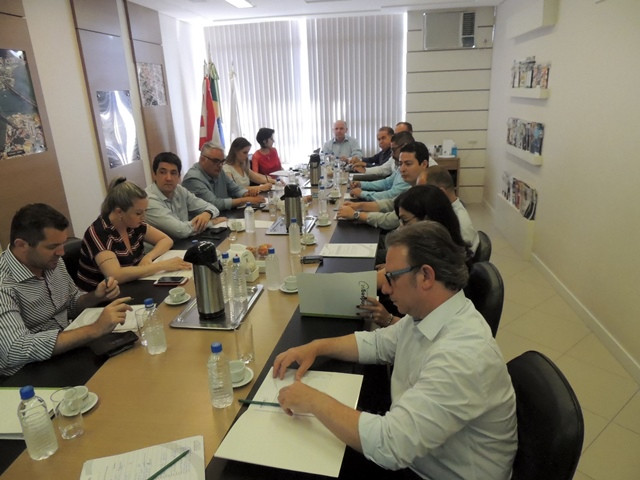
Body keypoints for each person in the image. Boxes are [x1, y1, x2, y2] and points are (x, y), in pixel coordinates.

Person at [273, 221, 517, 479]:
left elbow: (390, 446)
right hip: (424, 453)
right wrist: (317, 347)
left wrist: (314, 400)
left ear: (426, 276)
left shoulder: (462, 355)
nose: (385, 288)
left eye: (392, 277)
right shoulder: (431, 313)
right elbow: (379, 343)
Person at [0, 204, 132, 376]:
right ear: (22, 245)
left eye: (63, 243)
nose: (61, 252)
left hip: (67, 351)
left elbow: (70, 305)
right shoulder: (4, 284)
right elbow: (14, 349)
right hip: (28, 373)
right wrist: (94, 329)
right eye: (52, 246)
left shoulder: (51, 263)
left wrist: (96, 296)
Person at [76, 177, 192, 291]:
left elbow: (166, 240)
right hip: (99, 297)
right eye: (138, 213)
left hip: (132, 286)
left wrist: (148, 257)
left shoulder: (133, 224)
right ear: (119, 212)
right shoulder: (99, 232)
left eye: (145, 211)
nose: (143, 217)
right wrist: (161, 266)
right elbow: (115, 275)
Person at [338, 140, 429, 231]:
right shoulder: (413, 185)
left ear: (424, 164)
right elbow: (391, 203)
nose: (402, 169)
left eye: (408, 164)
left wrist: (356, 214)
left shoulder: (425, 191)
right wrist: (359, 206)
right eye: (401, 164)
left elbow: (390, 220)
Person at [145, 152, 224, 239]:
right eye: (163, 172)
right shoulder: (148, 200)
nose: (168, 178)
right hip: (165, 247)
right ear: (154, 175)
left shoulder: (179, 190)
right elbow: (181, 231)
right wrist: (211, 222)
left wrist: (207, 213)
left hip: (184, 243)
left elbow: (213, 208)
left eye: (173, 173)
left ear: (179, 176)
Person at [183, 142, 266, 211]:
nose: (220, 165)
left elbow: (235, 188)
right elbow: (214, 204)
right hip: (204, 222)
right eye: (215, 161)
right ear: (202, 159)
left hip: (223, 216)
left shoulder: (219, 171)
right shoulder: (193, 179)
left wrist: (246, 194)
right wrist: (246, 200)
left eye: (222, 161)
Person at [426, 165, 479, 254]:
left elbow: (457, 258)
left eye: (424, 192)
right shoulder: (443, 211)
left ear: (441, 193)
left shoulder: (458, 224)